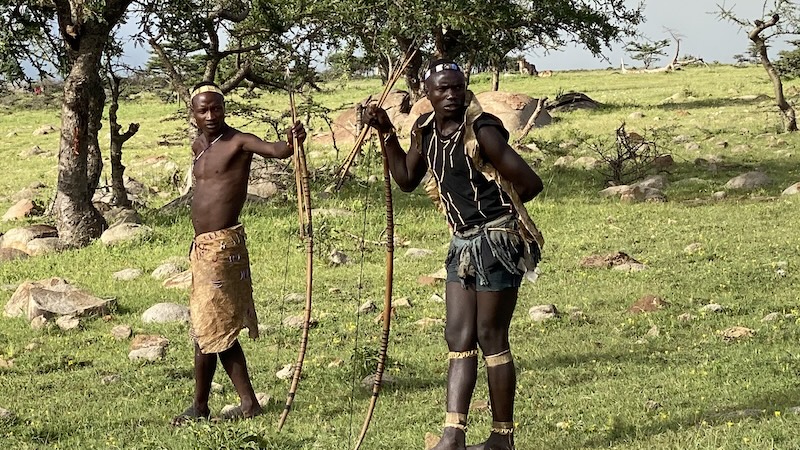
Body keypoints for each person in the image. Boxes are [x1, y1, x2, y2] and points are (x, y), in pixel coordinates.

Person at [364, 60, 544, 450]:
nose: (452, 95)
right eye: (443, 89)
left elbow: (530, 182)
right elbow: (408, 179)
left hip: (497, 240)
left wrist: (498, 215)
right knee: (458, 335)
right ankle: (452, 436)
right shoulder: (426, 131)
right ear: (426, 94)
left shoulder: (483, 131)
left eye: (458, 87)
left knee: (490, 335)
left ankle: (502, 439)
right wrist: (386, 134)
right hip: (462, 243)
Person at [172, 81, 306, 425]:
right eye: (203, 110)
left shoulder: (239, 141)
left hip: (222, 246)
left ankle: (204, 407)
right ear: (194, 114)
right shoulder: (198, 146)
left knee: (208, 330)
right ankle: (245, 403)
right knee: (213, 329)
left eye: (216, 108)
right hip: (201, 248)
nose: (211, 115)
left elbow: (277, 150)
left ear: (224, 109)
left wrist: (292, 141)